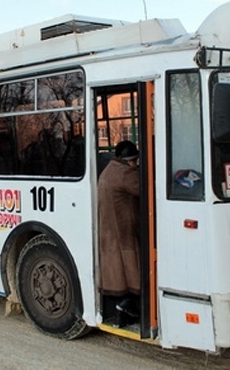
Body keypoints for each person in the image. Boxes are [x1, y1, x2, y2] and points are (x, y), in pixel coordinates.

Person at [98, 140, 141, 328]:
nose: (136, 164)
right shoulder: (125, 174)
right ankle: (126, 310)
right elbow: (145, 188)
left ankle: (121, 312)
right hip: (124, 232)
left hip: (109, 231)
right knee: (131, 272)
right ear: (128, 160)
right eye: (134, 160)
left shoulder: (109, 170)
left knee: (118, 275)